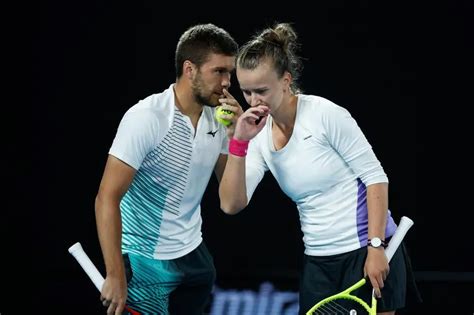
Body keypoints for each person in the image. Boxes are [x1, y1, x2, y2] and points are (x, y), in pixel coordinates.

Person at [218, 23, 419, 315]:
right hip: (318, 261)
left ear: (286, 80)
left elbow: (376, 178)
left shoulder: (325, 115)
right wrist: (238, 141)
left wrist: (376, 247)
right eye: (246, 92)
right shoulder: (257, 134)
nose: (253, 101)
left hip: (366, 249)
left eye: (261, 90)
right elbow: (231, 204)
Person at [94, 23, 239, 315]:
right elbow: (106, 199)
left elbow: (231, 201)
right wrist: (114, 273)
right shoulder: (146, 118)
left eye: (229, 73)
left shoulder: (221, 119)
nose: (227, 83)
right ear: (190, 69)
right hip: (144, 261)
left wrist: (237, 139)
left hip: (194, 257)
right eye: (219, 72)